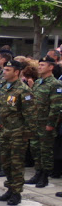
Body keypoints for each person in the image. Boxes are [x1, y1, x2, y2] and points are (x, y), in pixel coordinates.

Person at [0, 60, 35, 205]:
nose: (4, 72)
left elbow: (29, 114)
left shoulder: (24, 90)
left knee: (16, 163)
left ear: (16, 72)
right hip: (5, 131)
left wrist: (26, 135)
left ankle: (17, 193)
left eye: (7, 70)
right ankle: (10, 188)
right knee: (6, 162)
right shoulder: (6, 88)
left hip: (18, 132)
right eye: (4, 70)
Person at [25, 56, 62, 188]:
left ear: (51, 67)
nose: (39, 67)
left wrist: (51, 124)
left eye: (42, 65)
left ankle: (45, 176)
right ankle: (38, 173)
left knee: (45, 151)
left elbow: (56, 106)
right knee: (35, 149)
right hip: (35, 123)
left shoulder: (55, 84)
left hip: (45, 123)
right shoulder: (39, 82)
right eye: (39, 65)